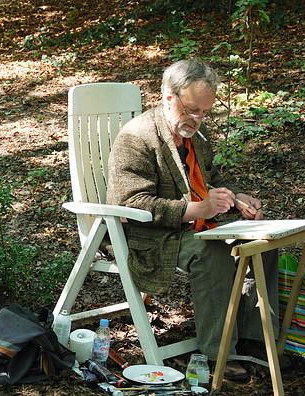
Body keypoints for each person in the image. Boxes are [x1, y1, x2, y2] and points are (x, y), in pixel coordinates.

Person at [106, 59, 286, 381]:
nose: (198, 119)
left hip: (198, 226)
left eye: (205, 112)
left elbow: (212, 178)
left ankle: (253, 338)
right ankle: (219, 352)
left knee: (263, 244)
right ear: (168, 97)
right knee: (210, 253)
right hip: (155, 236)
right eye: (192, 109)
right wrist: (198, 209)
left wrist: (238, 199)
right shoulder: (138, 138)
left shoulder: (192, 134)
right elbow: (130, 204)